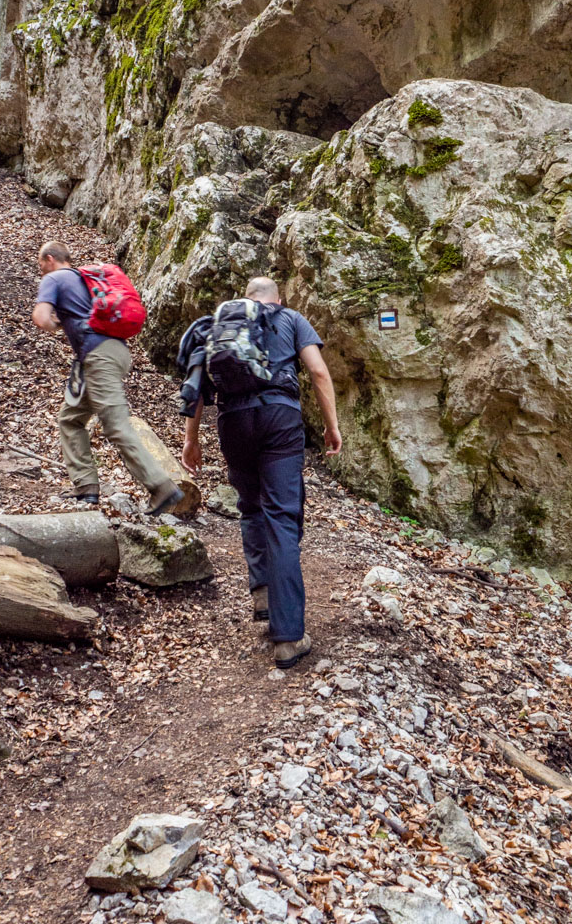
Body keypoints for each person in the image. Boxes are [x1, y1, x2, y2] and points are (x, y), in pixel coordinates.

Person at [181, 276, 342, 668]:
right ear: (278, 298)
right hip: (279, 418)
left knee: (251, 508)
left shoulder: (221, 324)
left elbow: (199, 385)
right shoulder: (289, 318)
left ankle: (264, 596)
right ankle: (287, 639)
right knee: (282, 518)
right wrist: (331, 425)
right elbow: (319, 372)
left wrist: (191, 439)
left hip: (233, 420)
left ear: (247, 298)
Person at [32, 241, 183, 513]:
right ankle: (85, 487)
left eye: (40, 263)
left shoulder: (54, 278)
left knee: (115, 425)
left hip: (99, 357)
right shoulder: (86, 281)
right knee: (71, 419)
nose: (40, 269)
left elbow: (41, 319)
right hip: (113, 352)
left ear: (50, 258)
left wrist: (58, 322)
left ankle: (162, 487)